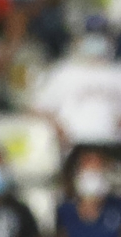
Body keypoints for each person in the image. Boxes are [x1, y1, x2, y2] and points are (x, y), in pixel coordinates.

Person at [31, 17, 121, 156]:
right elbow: (38, 108)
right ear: (80, 39)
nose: (96, 40)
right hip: (73, 146)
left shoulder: (117, 73)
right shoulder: (63, 72)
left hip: (111, 146)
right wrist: (59, 129)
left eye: (101, 35)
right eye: (91, 36)